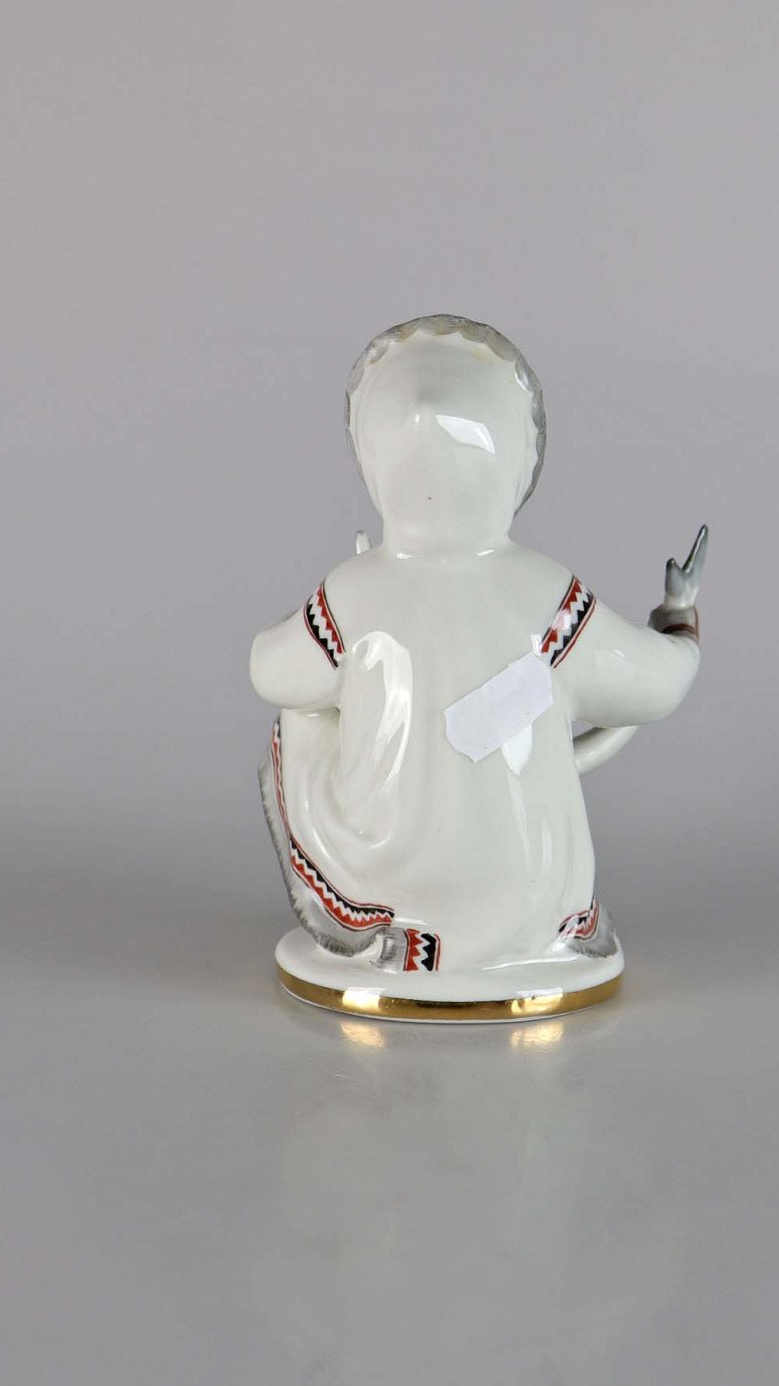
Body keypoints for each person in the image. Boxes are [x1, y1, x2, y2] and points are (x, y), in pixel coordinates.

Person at [251, 315, 704, 976]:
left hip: (389, 876)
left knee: (302, 717)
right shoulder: (549, 596)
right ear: (517, 466)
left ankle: (389, 923)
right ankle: (542, 930)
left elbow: (271, 671)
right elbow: (656, 685)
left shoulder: (352, 593)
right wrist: (680, 620)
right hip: (532, 898)